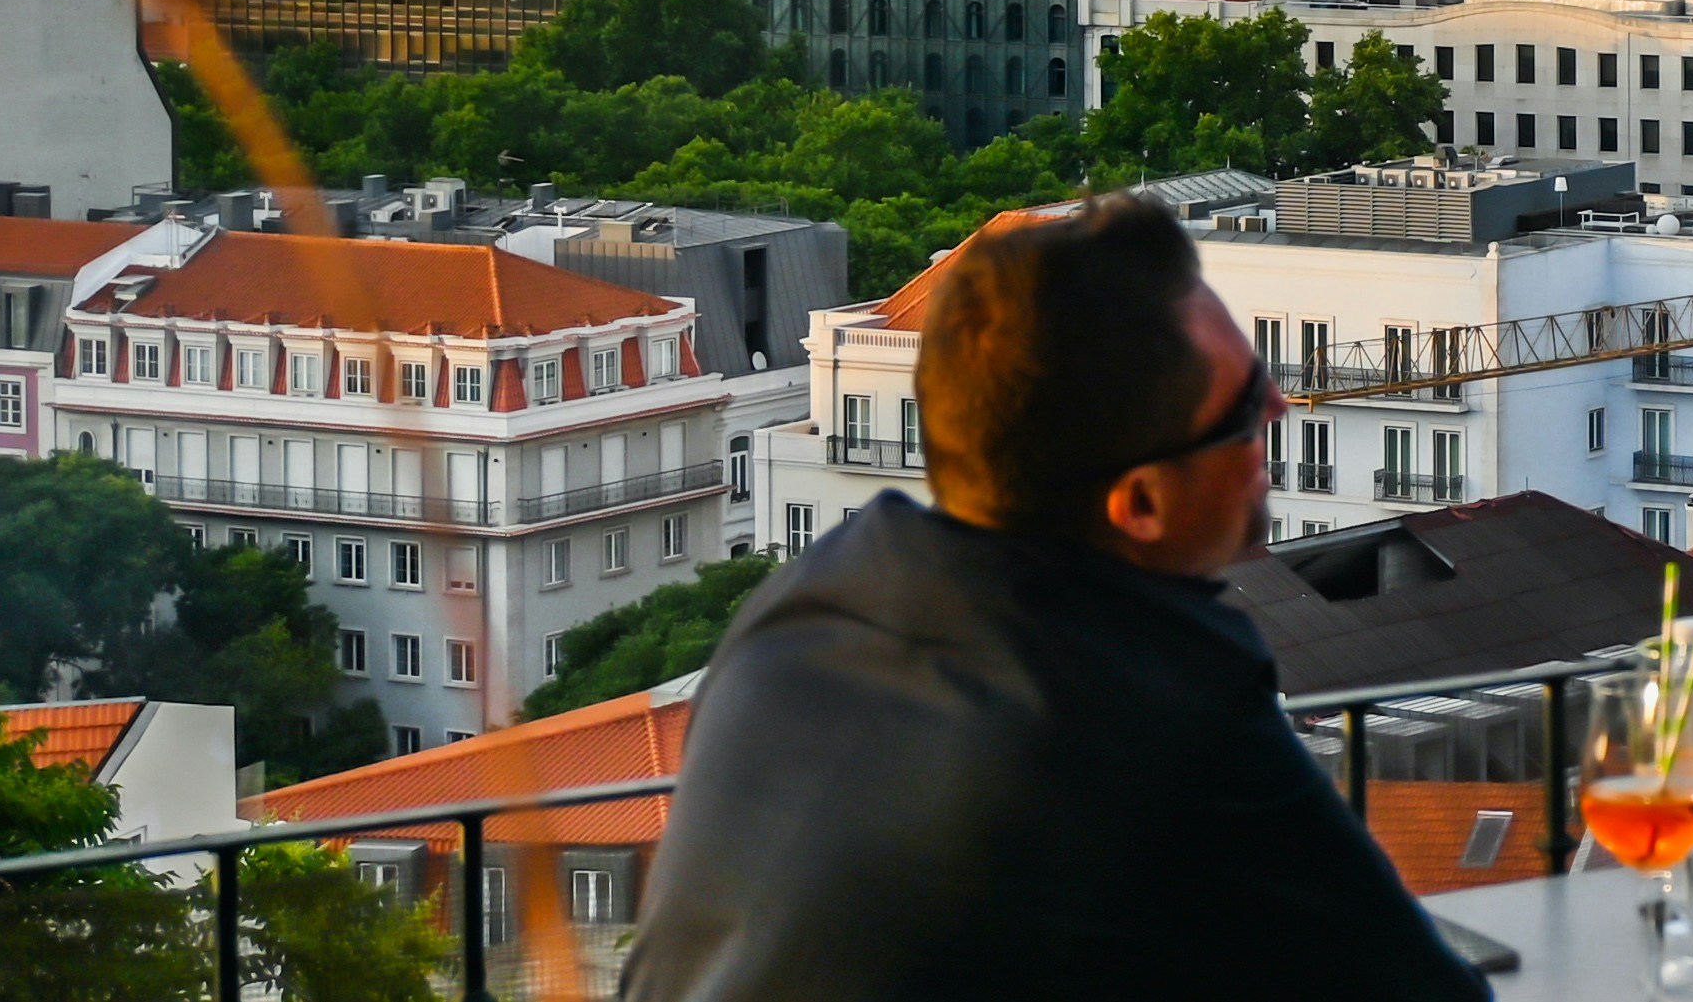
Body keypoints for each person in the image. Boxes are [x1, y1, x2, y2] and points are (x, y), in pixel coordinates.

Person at [622, 197, 1487, 1002]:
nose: (1282, 403)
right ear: (1140, 502)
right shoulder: (1153, 700)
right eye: (1242, 407)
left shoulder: (810, 598)